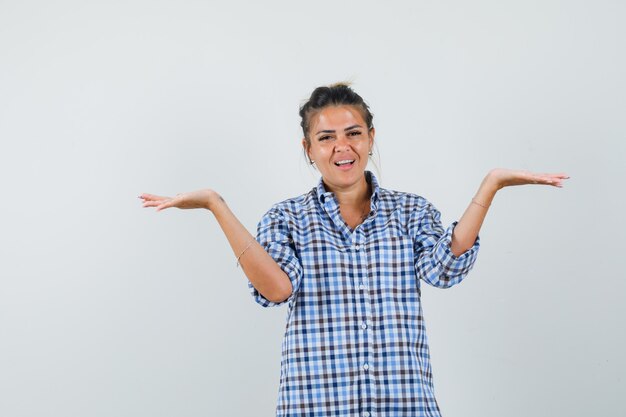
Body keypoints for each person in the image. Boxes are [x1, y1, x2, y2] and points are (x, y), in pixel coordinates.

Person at [139, 83, 568, 417]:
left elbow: (444, 270)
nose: (341, 146)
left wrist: (490, 185)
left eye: (353, 133)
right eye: (326, 137)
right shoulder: (286, 219)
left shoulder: (409, 210)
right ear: (308, 149)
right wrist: (216, 205)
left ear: (371, 138)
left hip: (404, 406)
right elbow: (277, 289)